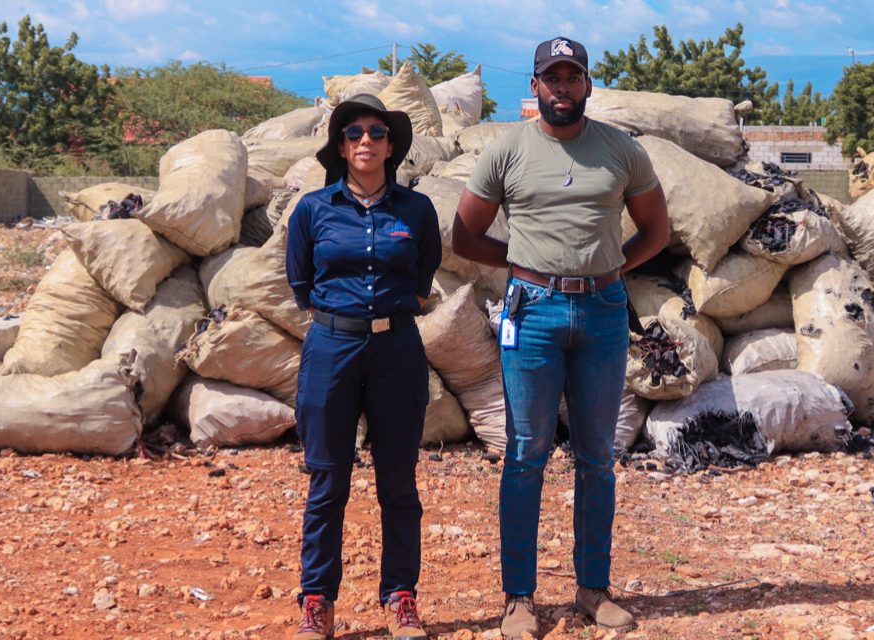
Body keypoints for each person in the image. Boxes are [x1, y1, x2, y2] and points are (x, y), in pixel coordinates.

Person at [452, 37, 670, 638]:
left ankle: (592, 591)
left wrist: (613, 268)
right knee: (525, 455)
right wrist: (524, 262)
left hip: (602, 312)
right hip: (534, 311)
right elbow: (465, 237)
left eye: (573, 77)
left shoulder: (620, 150)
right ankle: (519, 598)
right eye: (553, 77)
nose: (563, 87)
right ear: (536, 85)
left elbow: (655, 229)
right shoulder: (507, 151)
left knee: (598, 457)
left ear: (589, 85)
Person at [286, 93, 441, 640]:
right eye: (354, 133)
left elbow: (423, 277)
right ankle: (317, 601)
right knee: (328, 479)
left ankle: (400, 596)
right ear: (340, 146)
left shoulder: (416, 210)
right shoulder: (312, 209)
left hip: (397, 349)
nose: (366, 141)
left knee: (398, 481)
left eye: (377, 132)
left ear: (392, 145)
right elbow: (301, 282)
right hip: (332, 349)